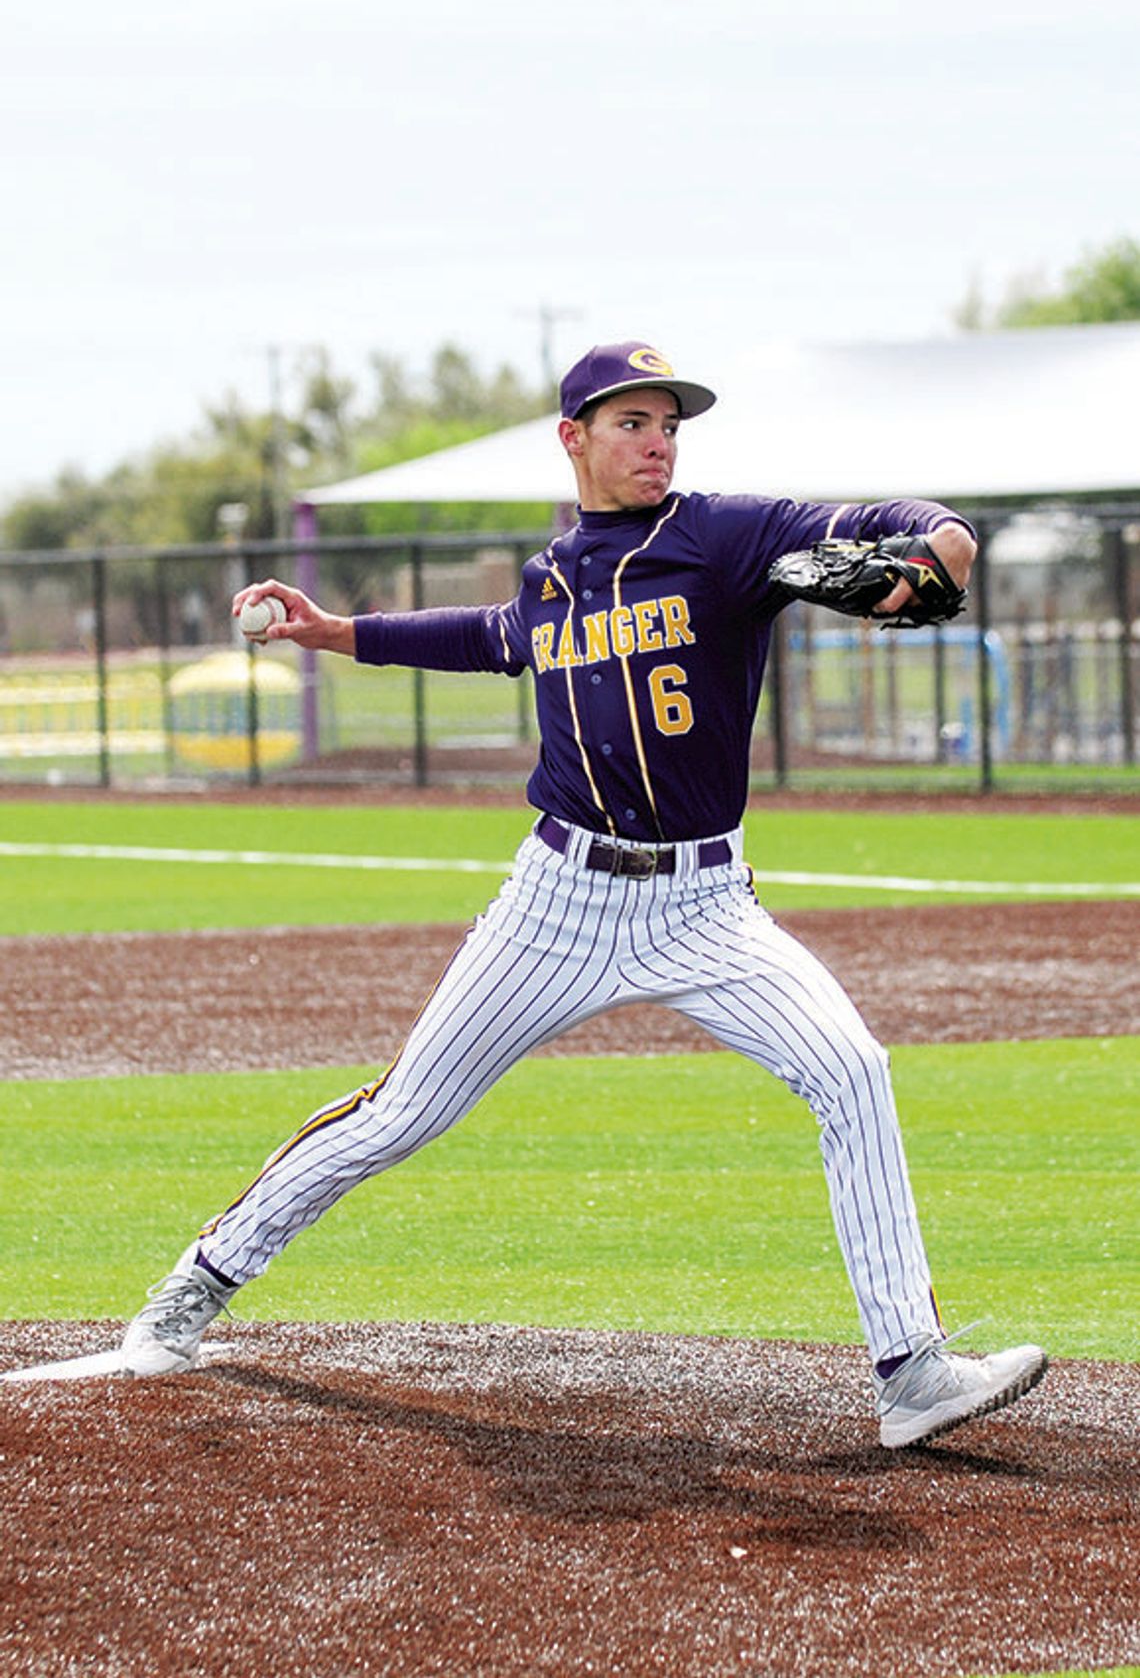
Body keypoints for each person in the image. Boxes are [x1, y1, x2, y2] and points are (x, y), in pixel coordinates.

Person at [122, 340, 1047, 1448]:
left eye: (668, 424)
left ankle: (912, 1373)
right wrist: (335, 632)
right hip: (557, 902)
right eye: (633, 423)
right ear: (574, 438)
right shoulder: (549, 577)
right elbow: (487, 638)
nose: (658, 442)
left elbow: (883, 522)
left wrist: (939, 540)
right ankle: (203, 1274)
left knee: (851, 1067)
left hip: (706, 905)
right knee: (403, 1113)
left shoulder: (720, 534)